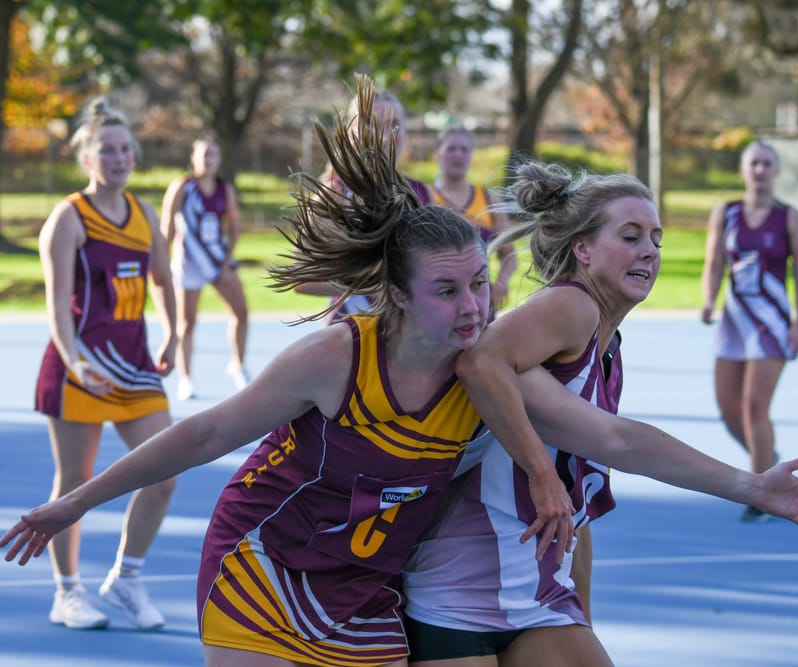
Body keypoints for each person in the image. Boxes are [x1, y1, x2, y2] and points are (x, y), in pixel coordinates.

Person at [1, 76, 574, 667]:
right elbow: (206, 433)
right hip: (264, 569)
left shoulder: (483, 365)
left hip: (362, 590)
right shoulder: (334, 356)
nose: (474, 307)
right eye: (448, 290)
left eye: (479, 284)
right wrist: (76, 503)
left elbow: (607, 436)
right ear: (395, 293)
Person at [399, 162, 798, 666]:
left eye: (656, 239)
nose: (648, 251)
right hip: (458, 597)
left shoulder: (604, 348)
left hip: (533, 600)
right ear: (582, 250)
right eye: (630, 237)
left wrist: (579, 613)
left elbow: (588, 497)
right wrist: (542, 476)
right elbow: (481, 360)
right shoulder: (573, 305)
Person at [32, 97, 178, 631]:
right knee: (75, 484)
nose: (118, 158)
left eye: (125, 149)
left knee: (164, 472)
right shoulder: (69, 217)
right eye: (106, 150)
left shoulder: (142, 214)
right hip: (82, 364)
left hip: (134, 365)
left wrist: (174, 335)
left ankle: (127, 578)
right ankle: (66, 592)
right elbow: (56, 302)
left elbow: (165, 280)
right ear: (87, 159)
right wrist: (74, 359)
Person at [700, 140, 798, 523]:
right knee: (728, 410)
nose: (760, 170)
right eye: (754, 163)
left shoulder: (790, 219)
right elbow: (714, 261)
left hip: (771, 324)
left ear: (777, 171)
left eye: (767, 164)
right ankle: (768, 460)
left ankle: (762, 488)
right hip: (734, 322)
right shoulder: (726, 213)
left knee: (753, 408)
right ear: (743, 170)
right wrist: (707, 301)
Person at [295, 88, 431, 324]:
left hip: (411, 333)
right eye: (373, 124)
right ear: (352, 130)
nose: (387, 135)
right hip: (352, 333)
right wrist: (372, 281)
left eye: (395, 123)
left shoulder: (421, 192)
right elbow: (302, 278)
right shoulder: (333, 195)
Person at [161, 136, 250, 400]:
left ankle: (238, 365)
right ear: (193, 158)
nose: (208, 160)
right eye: (203, 155)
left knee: (241, 312)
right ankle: (186, 379)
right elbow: (166, 227)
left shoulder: (225, 190)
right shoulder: (182, 187)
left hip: (217, 260)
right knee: (186, 323)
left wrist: (226, 262)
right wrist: (163, 264)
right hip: (189, 263)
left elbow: (234, 227)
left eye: (212, 155)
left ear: (219, 160)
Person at [430, 124, 517, 312]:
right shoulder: (424, 197)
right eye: (451, 148)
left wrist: (502, 282)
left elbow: (509, 254)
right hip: (435, 302)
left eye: (464, 149)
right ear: (437, 153)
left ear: (471, 155)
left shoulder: (489, 199)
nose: (458, 155)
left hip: (479, 302)